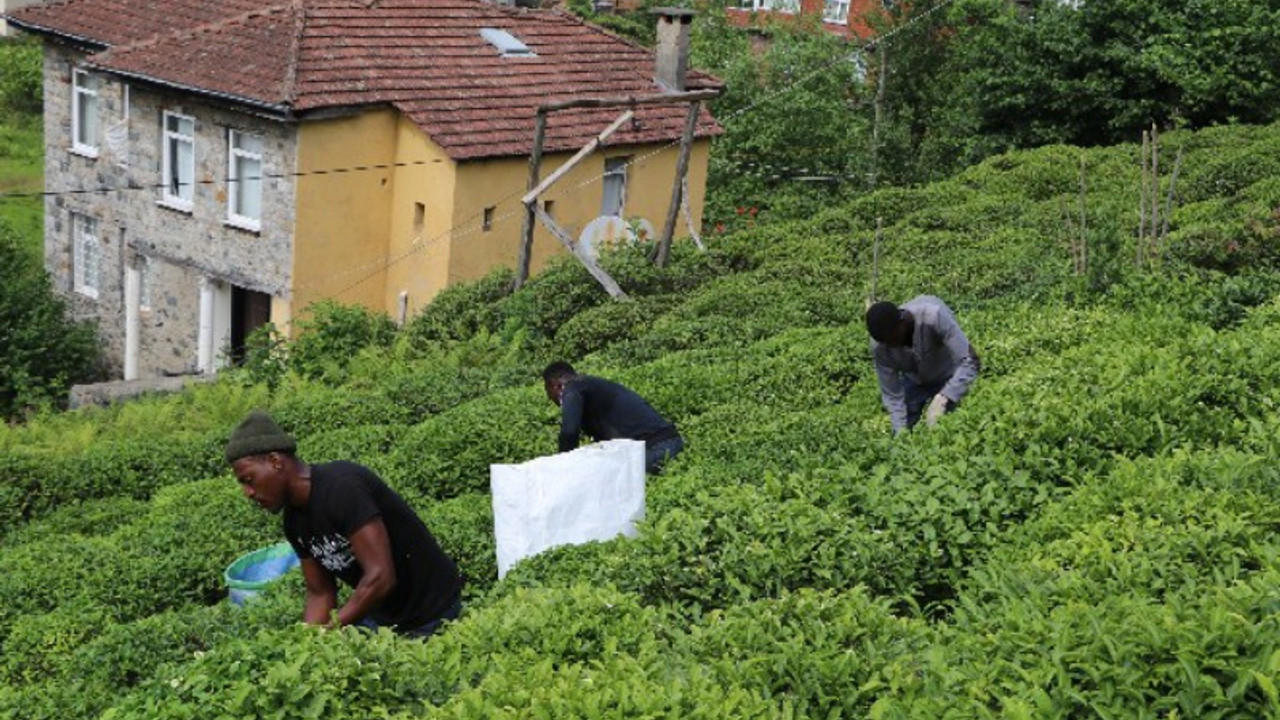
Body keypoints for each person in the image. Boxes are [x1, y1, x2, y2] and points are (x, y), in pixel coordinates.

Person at [225, 409, 462, 638]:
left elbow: (381, 576)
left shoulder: (342, 487)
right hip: (383, 617)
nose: (248, 493)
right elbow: (320, 592)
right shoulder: (294, 523)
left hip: (431, 611)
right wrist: (305, 643)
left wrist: (331, 628)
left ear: (275, 461)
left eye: (249, 479)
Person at [542, 361, 684, 474]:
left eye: (549, 393)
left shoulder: (572, 389)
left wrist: (562, 469)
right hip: (668, 443)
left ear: (555, 386)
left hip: (654, 450)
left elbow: (569, 432)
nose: (552, 400)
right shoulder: (591, 385)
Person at [865, 296, 981, 434]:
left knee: (953, 426)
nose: (891, 346)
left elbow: (971, 360)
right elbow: (892, 395)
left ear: (902, 323)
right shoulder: (880, 346)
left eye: (893, 339)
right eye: (885, 343)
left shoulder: (934, 316)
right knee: (905, 427)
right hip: (915, 380)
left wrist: (945, 396)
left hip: (949, 373)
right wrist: (900, 434)